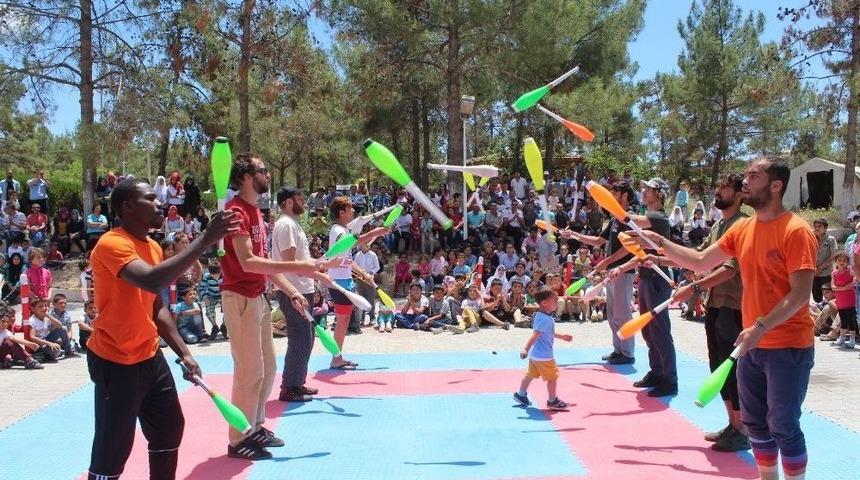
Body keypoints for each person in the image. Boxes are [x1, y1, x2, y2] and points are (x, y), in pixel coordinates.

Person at [632, 156, 817, 480]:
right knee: (756, 424)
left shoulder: (796, 231)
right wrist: (659, 243)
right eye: (745, 175)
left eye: (754, 176)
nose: (746, 181)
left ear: (775, 186)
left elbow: (800, 294)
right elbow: (702, 260)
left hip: (788, 347)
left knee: (783, 425)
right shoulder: (743, 228)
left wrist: (760, 326)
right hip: (750, 345)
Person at [85, 177, 236, 480]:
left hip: (149, 355)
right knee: (113, 448)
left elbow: (156, 306)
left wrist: (184, 352)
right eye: (150, 199)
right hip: (115, 360)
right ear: (128, 207)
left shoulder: (152, 246)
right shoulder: (112, 243)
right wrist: (205, 239)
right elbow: (152, 280)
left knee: (169, 428)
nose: (160, 203)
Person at [220, 153, 332, 460]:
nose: (268, 175)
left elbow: (265, 268)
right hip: (239, 298)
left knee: (267, 368)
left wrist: (291, 288)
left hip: (259, 298)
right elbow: (248, 262)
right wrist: (305, 266)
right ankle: (237, 439)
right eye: (263, 171)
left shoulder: (256, 212)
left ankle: (254, 426)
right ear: (246, 176)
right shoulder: (235, 212)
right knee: (248, 372)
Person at [670, 172, 750, 451]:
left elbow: (730, 269)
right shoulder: (719, 225)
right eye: (718, 186)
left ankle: (743, 430)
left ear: (740, 194)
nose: (718, 191)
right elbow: (698, 256)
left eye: (725, 188)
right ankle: (733, 424)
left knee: (732, 369)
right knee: (717, 366)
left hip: (734, 306)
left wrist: (693, 288)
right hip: (716, 304)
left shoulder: (743, 225)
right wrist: (657, 252)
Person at [611, 178, 677, 397]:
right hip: (648, 278)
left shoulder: (657, 218)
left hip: (658, 281)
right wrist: (622, 268)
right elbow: (641, 254)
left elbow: (632, 220)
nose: (643, 191)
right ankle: (656, 372)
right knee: (649, 331)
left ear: (658, 193)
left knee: (659, 331)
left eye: (647, 189)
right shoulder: (650, 218)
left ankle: (669, 378)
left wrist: (612, 203)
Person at [562, 181, 636, 365]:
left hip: (623, 272)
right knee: (612, 315)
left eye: (615, 193)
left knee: (622, 314)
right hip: (611, 272)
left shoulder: (631, 218)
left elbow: (629, 248)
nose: (610, 196)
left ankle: (627, 353)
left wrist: (607, 262)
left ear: (625, 195)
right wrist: (575, 236)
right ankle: (618, 350)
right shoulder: (613, 220)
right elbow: (598, 240)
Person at [270, 186, 332, 403]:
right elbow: (289, 263)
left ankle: (297, 382)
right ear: (287, 202)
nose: (303, 201)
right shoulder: (286, 225)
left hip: (301, 289)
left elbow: (299, 261)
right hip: (292, 291)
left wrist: (319, 275)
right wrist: (321, 265)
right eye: (299, 197)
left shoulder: (292, 224)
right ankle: (289, 388)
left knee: (307, 338)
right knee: (300, 339)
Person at [512, 286, 573, 410]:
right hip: (544, 357)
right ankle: (552, 400)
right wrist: (525, 349)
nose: (557, 302)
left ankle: (521, 394)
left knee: (530, 374)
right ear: (544, 303)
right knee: (553, 377)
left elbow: (548, 333)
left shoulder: (543, 316)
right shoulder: (544, 318)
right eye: (554, 300)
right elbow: (535, 335)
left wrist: (562, 337)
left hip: (536, 356)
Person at [830, 253, 857, 348]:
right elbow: (833, 287)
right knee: (843, 320)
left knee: (851, 320)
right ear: (836, 261)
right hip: (840, 301)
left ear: (847, 263)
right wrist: (844, 288)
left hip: (849, 300)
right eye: (840, 260)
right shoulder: (834, 273)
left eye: (844, 261)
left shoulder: (850, 271)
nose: (842, 262)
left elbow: (853, 282)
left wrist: (841, 288)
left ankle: (852, 340)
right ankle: (841, 339)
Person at [353, 241, 380, 326]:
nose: (363, 246)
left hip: (369, 278)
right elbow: (355, 266)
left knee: (370, 298)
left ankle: (372, 317)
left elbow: (377, 267)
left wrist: (371, 274)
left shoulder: (373, 255)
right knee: (361, 298)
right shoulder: (357, 255)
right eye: (362, 244)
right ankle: (361, 318)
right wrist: (359, 274)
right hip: (360, 278)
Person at [812, 218, 837, 304]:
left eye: (819, 226)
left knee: (828, 296)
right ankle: (820, 315)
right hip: (814, 273)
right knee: (816, 296)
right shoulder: (811, 238)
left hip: (826, 273)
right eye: (815, 226)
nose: (817, 228)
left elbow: (833, 256)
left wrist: (820, 268)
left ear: (825, 228)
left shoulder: (831, 239)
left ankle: (829, 315)